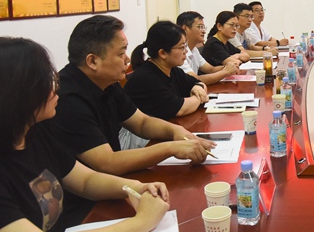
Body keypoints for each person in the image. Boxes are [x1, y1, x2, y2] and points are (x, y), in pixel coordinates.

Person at [0, 37, 169, 232]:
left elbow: (85, 181)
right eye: (44, 81)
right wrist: (142, 222)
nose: (55, 87)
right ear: (12, 93)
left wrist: (135, 188)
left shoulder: (33, 132)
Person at [44, 15, 216, 177]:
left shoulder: (108, 82)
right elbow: (107, 162)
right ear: (92, 61)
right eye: (121, 54)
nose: (127, 60)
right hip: (90, 191)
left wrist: (176, 131)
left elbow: (141, 122)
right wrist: (171, 148)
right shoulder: (68, 99)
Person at [124, 21, 208, 120]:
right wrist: (199, 98)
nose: (185, 51)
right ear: (162, 53)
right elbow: (180, 109)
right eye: (182, 47)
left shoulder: (173, 70)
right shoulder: (145, 78)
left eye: (185, 46)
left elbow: (198, 83)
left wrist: (198, 88)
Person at [176, 11, 239, 84]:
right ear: (184, 29)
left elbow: (211, 69)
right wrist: (225, 72)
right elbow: (194, 80)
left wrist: (228, 67)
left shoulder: (194, 50)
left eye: (203, 27)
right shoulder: (179, 52)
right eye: (199, 27)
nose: (204, 31)